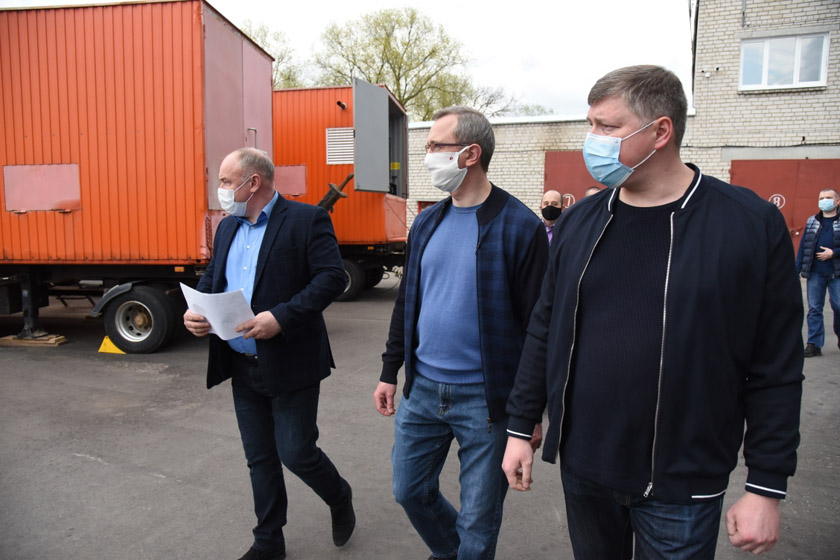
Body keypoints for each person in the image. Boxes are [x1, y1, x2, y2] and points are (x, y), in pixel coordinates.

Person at [502, 65, 803, 559]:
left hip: (683, 480)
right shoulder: (579, 222)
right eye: (590, 125)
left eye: (607, 127)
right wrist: (521, 426)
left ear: (661, 131)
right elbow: (544, 328)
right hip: (584, 469)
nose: (591, 140)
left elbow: (776, 365)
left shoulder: (748, 224)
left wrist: (766, 486)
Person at [374, 106, 548, 560]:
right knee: (409, 491)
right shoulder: (427, 222)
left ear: (470, 154)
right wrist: (390, 370)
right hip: (422, 390)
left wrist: (529, 413)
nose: (427, 154)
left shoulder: (520, 226)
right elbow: (407, 302)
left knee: (478, 521)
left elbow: (537, 329)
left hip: (487, 401)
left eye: (436, 145)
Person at [183, 148, 355, 560]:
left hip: (291, 361)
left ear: (253, 182)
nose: (221, 190)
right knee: (260, 458)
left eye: (226, 182)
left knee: (296, 453)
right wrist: (197, 310)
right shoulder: (227, 227)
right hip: (241, 363)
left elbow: (332, 277)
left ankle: (339, 494)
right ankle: (269, 541)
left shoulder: (307, 219)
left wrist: (281, 317)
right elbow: (213, 277)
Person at [795, 188, 840, 357]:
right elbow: (804, 246)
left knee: (839, 307)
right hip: (815, 273)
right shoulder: (812, 221)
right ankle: (814, 344)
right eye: (821, 198)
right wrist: (796, 270)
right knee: (814, 309)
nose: (824, 201)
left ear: (837, 201)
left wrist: (833, 253)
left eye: (828, 197)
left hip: (837, 273)